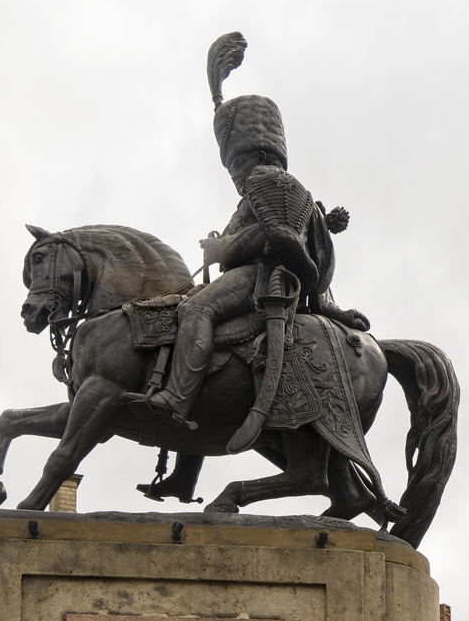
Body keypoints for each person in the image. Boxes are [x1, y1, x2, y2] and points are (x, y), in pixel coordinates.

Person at [127, 32, 368, 430]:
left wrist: (223, 248)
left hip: (263, 281)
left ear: (258, 154)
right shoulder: (261, 187)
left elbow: (281, 237)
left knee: (196, 309)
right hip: (254, 276)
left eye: (236, 163)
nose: (235, 174)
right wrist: (220, 247)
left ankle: (175, 401)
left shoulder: (265, 180)